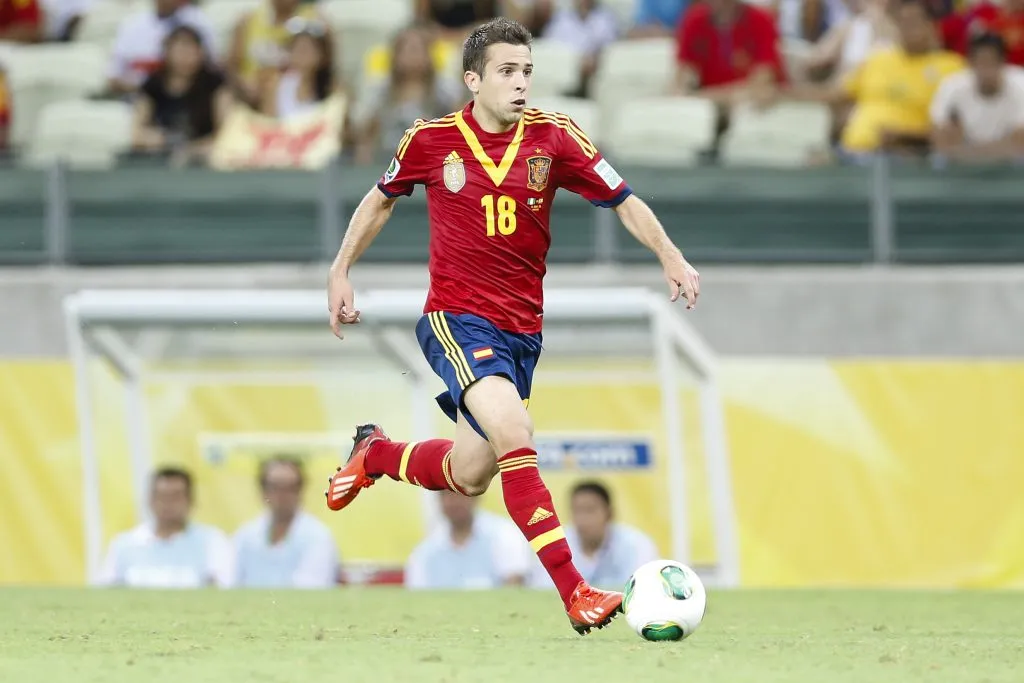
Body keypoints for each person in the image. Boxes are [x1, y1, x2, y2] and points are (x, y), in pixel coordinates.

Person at [323, 17, 699, 636]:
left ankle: (376, 454)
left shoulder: (555, 138)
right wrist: (341, 270)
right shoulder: (430, 139)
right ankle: (574, 591)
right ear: (473, 80)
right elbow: (381, 197)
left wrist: (669, 253)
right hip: (456, 318)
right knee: (515, 431)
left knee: (473, 472)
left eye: (526, 71)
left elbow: (623, 198)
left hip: (522, 333)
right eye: (506, 71)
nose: (520, 83)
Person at [97, 467, 234, 589]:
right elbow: (105, 589)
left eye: (175, 497)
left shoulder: (212, 541)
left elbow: (224, 588)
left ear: (191, 500)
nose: (168, 504)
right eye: (162, 496)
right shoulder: (124, 544)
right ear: (150, 500)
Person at [528, 481, 659, 591]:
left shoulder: (636, 544)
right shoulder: (554, 544)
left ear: (609, 514)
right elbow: (543, 590)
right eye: (577, 511)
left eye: (590, 510)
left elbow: (647, 589)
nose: (582, 519)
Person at [234, 456, 340, 588]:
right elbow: (231, 583)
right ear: (263, 491)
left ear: (300, 490)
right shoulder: (245, 535)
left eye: (289, 488)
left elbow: (312, 588)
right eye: (274, 487)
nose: (281, 495)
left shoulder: (319, 536)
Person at [405, 490, 532, 589]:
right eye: (446, 495)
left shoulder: (504, 534)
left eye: (459, 494)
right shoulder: (425, 552)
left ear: (475, 496)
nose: (453, 502)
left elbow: (515, 588)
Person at [930, 31, 1024, 164]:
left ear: (1003, 62)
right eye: (981, 61)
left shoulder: (1021, 85)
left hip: (1011, 166)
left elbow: (1020, 144)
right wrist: (1001, 148)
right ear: (970, 62)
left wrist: (967, 151)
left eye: (992, 61)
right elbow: (940, 140)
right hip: (962, 166)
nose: (986, 69)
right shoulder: (951, 86)